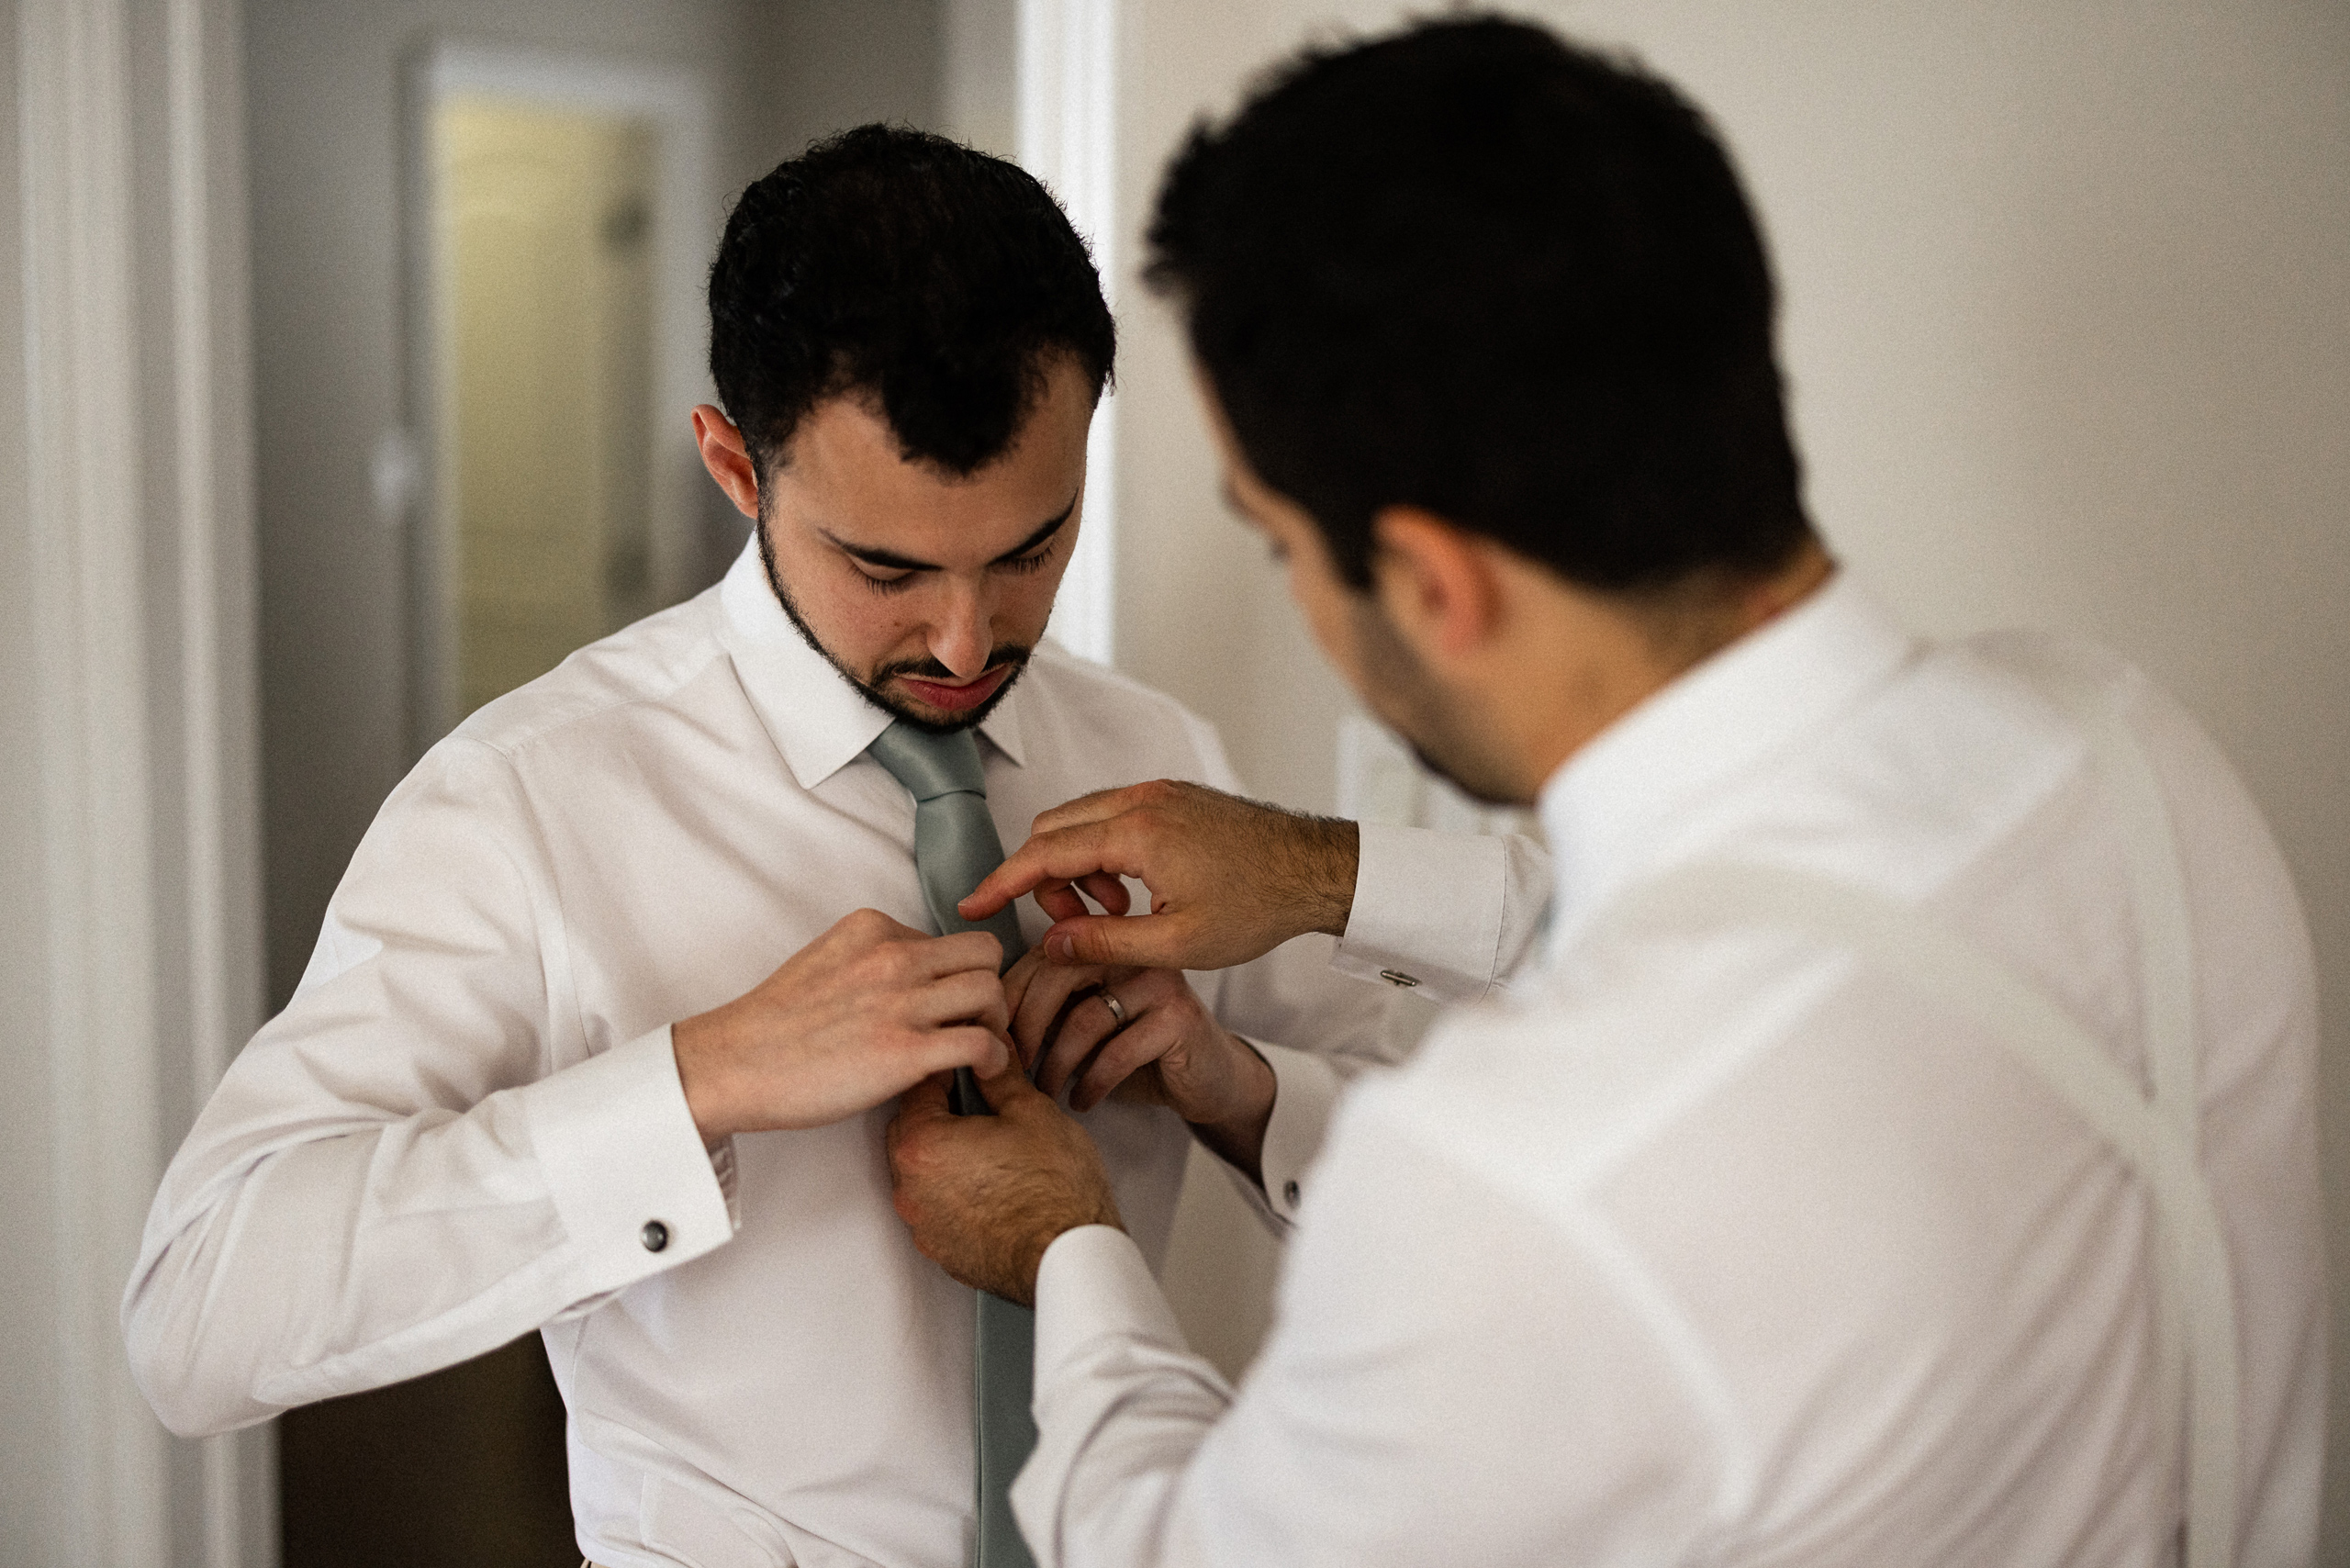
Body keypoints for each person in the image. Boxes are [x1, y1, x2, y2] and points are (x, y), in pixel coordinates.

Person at [884, 19, 2325, 1568]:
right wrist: (1316, 876)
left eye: (1277, 540)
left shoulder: (1509, 1176)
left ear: (1433, 584)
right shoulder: (2120, 748)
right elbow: (1769, 917)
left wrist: (1068, 1246)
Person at [121, 126, 1546, 1567]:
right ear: (736, 467)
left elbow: (1482, 1182)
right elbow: (197, 1313)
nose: (967, 639)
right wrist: (706, 1077)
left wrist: (1235, 1089)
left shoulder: (1155, 758)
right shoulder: (527, 799)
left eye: (1031, 550)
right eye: (889, 568)